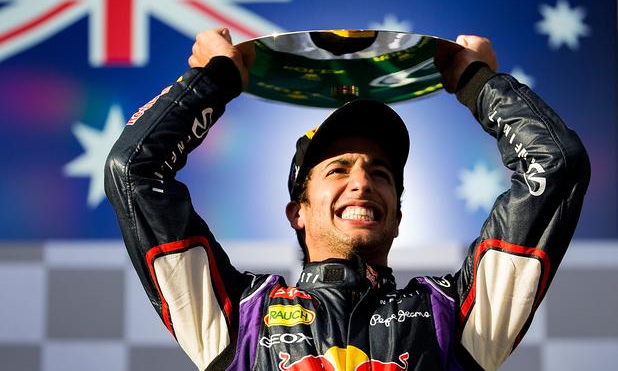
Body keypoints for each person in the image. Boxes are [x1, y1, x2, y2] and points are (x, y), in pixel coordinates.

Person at [105, 29, 590, 371]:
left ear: (398, 214)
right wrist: (214, 80)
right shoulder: (238, 320)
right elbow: (134, 172)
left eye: (381, 173)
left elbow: (556, 166)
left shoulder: (456, 317)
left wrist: (478, 83)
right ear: (298, 211)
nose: (362, 184)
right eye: (338, 170)